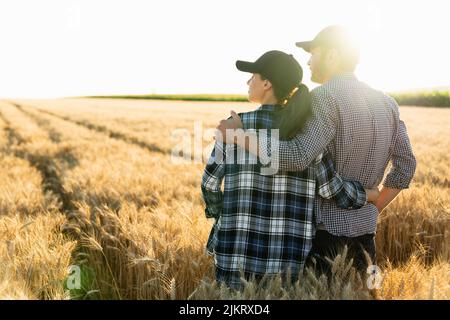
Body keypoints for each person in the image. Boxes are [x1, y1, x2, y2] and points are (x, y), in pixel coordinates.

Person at [216, 26, 417, 279]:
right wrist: (375, 207)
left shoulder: (323, 97)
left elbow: (298, 156)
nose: (309, 61)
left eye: (313, 53)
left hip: (324, 239)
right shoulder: (387, 103)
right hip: (366, 236)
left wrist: (240, 136)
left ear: (332, 55)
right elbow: (406, 165)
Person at [201, 50, 380, 290]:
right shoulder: (307, 135)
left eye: (252, 76)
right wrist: (367, 194)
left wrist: (222, 217)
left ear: (266, 83)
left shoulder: (232, 128)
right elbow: (330, 189)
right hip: (286, 264)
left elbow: (210, 183)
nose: (248, 82)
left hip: (235, 255)